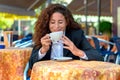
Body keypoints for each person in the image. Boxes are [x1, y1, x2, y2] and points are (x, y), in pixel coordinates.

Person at [29, 4, 104, 69]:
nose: (56, 26)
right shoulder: (43, 36)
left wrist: (77, 51)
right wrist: (43, 50)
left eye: (60, 22)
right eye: (52, 22)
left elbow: (99, 57)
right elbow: (31, 64)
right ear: (47, 24)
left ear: (67, 22)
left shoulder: (76, 35)